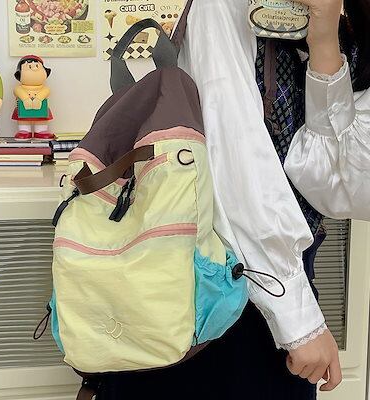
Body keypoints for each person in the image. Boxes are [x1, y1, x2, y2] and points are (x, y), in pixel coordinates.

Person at [96, 0, 370, 399]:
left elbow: (345, 189)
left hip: (277, 272)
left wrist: (325, 42)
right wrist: (297, 320)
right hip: (217, 275)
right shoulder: (224, 6)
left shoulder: (342, 26)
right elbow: (234, 162)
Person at [12, 55, 55, 141]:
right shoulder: (19, 88)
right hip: (23, 110)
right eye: (29, 67)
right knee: (23, 119)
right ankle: (24, 130)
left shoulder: (44, 88)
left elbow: (46, 92)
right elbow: (18, 91)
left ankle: (40, 131)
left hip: (41, 110)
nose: (34, 69)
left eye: (37, 66)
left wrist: (38, 98)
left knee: (41, 119)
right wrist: (25, 98)